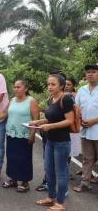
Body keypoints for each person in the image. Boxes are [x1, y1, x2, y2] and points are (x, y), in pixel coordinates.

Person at [31, 74, 74, 211]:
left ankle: (60, 203)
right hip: (50, 140)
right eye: (48, 84)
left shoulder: (66, 99)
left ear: (61, 86)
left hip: (62, 142)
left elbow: (69, 121)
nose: (49, 87)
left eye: (53, 84)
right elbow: (51, 118)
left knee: (61, 172)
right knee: (49, 170)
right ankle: (51, 197)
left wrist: (50, 127)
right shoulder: (51, 98)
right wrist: (38, 122)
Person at [0, 80, 39, 192]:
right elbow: (3, 114)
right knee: (12, 157)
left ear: (25, 88)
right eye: (15, 87)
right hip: (11, 134)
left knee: (24, 158)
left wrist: (32, 134)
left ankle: (25, 182)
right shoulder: (12, 100)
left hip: (24, 135)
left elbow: (36, 120)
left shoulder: (31, 101)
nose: (16, 89)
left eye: (18, 87)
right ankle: (13, 179)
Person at [73, 64, 98, 193]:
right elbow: (77, 108)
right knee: (87, 157)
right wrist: (80, 120)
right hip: (85, 130)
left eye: (93, 72)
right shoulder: (82, 90)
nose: (90, 74)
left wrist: (94, 120)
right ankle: (85, 182)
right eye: (88, 72)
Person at [64, 78, 81, 177]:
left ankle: (66, 170)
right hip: (62, 127)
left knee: (68, 151)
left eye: (69, 84)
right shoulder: (58, 96)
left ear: (73, 86)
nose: (66, 86)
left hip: (71, 127)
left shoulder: (74, 96)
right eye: (65, 84)